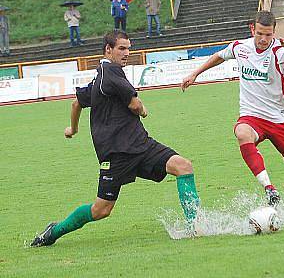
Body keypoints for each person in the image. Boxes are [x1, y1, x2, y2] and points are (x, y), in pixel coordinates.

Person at [30, 30, 200, 247]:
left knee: (183, 166)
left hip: (140, 145)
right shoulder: (111, 71)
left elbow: (76, 104)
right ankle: (54, 231)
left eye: (128, 48)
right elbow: (135, 105)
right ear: (108, 49)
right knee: (101, 210)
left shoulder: (100, 75)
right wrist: (144, 110)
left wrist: (73, 129)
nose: (127, 52)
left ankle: (195, 226)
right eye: (122, 48)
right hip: (117, 155)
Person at [181, 11, 284, 206]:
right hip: (252, 116)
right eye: (260, 33)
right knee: (242, 133)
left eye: (268, 35)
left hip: (280, 118)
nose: (264, 39)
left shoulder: (278, 49)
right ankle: (270, 189)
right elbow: (219, 56)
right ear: (253, 29)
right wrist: (195, 74)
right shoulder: (240, 47)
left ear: (274, 33)